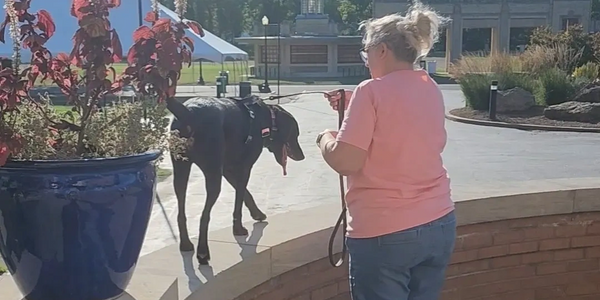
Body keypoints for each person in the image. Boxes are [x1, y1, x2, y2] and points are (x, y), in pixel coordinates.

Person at [315, 2, 456, 300]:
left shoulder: (371, 91)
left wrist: (325, 138)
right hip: (439, 221)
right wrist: (357, 105)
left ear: (381, 50)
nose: (366, 61)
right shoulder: (429, 86)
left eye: (366, 53)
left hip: (385, 231)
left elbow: (346, 161)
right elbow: (401, 115)